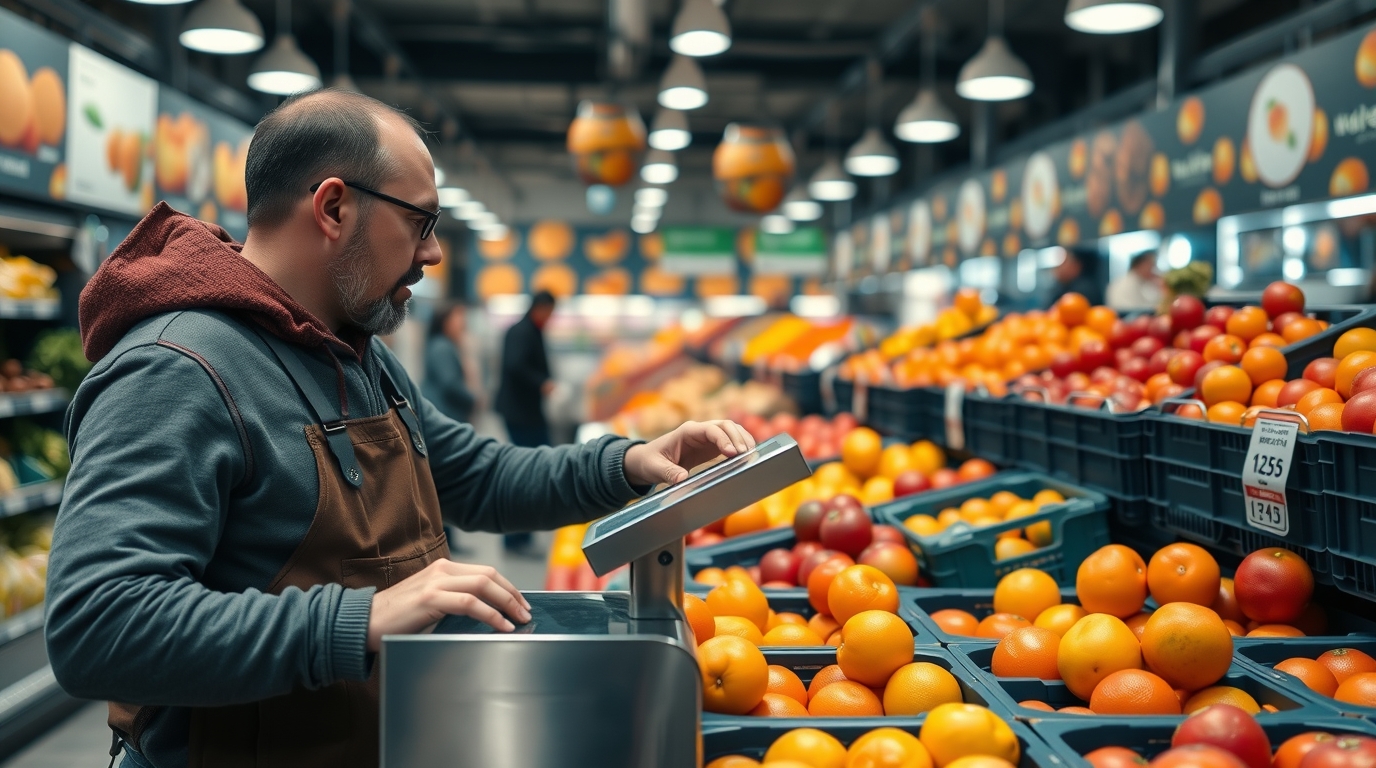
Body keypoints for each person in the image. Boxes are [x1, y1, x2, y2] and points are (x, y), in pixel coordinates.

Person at [44, 88, 756, 768]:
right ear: (333, 208)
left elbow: (475, 477)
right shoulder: (178, 369)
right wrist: (358, 620)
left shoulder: (358, 355)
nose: (434, 253)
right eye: (421, 222)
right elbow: (99, 623)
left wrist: (629, 464)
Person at [495, 290, 555, 553]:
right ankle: (516, 538)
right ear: (539, 308)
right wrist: (542, 383)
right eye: (549, 312)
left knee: (530, 470)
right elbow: (515, 366)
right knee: (525, 473)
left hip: (526, 412)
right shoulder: (522, 332)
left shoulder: (530, 329)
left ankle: (522, 537)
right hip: (521, 413)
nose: (550, 318)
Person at [422, 302, 477, 424]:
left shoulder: (443, 345)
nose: (463, 324)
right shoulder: (442, 347)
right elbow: (450, 385)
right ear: (445, 322)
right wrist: (473, 400)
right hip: (445, 413)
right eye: (459, 318)